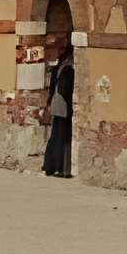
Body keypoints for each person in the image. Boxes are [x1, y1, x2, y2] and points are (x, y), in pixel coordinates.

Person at [43, 48, 75, 179]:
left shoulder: (61, 65)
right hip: (63, 107)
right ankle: (58, 167)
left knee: (56, 136)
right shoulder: (68, 68)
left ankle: (50, 166)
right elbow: (65, 89)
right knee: (61, 137)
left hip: (57, 105)